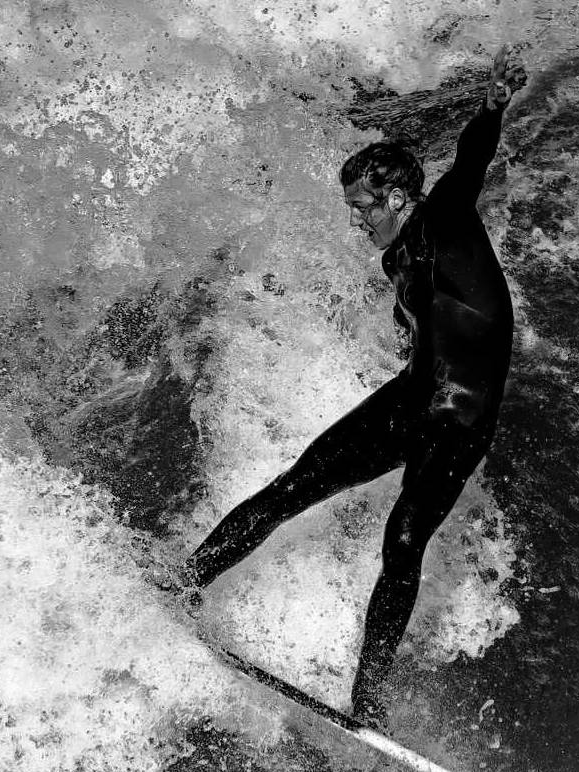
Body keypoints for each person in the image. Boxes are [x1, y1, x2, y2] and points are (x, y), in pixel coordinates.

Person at [181, 45, 521, 725]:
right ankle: (180, 584)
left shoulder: (444, 215)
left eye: (361, 206)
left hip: (461, 416)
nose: (355, 219)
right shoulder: (398, 254)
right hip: (412, 398)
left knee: (401, 537)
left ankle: (368, 699)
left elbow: (470, 159)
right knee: (293, 486)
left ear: (396, 196)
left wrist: (492, 104)